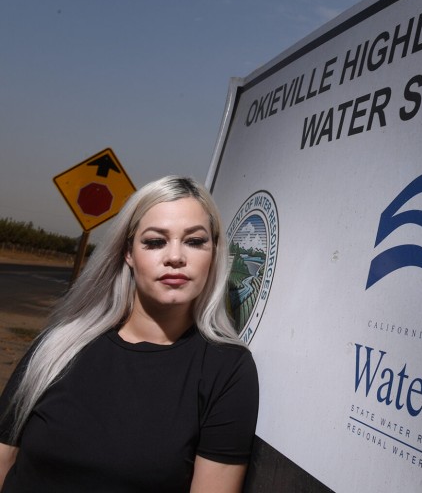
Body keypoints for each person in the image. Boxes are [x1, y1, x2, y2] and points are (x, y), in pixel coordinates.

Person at [0, 176, 259, 492]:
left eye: (194, 241)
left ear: (214, 252)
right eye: (155, 242)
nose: (175, 257)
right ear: (128, 253)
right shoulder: (58, 345)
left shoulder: (227, 369)